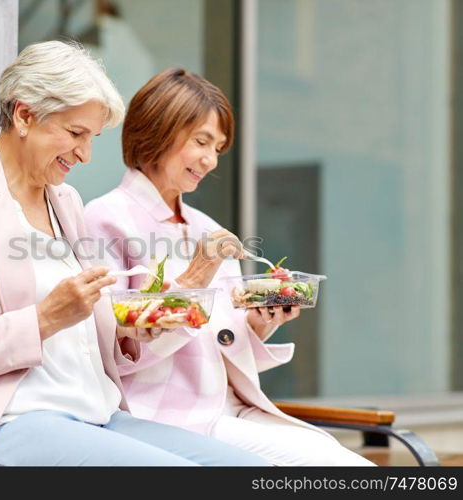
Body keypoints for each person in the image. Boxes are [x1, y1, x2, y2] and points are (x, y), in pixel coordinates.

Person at [0, 43, 269, 466]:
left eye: (93, 138)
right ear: (24, 115)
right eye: (75, 134)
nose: (86, 155)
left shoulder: (65, 202)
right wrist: (44, 318)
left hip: (97, 415)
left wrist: (131, 330)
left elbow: (88, 329)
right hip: (10, 420)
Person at [84, 68, 374, 466]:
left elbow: (224, 345)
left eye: (218, 148)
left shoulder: (208, 229)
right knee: (334, 465)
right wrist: (195, 277)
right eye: (201, 141)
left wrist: (261, 321)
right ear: (156, 130)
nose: (210, 159)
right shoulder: (105, 219)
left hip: (230, 408)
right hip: (163, 418)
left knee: (336, 458)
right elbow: (113, 353)